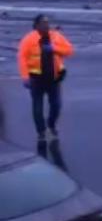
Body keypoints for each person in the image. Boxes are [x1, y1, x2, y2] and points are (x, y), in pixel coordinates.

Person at [17, 14, 74, 143]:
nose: (46, 25)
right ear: (36, 25)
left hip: (54, 78)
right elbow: (22, 58)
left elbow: (69, 51)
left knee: (56, 105)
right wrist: (25, 76)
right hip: (36, 78)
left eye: (47, 23)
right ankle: (41, 131)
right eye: (43, 23)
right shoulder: (29, 39)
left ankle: (51, 124)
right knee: (37, 107)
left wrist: (54, 48)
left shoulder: (56, 36)